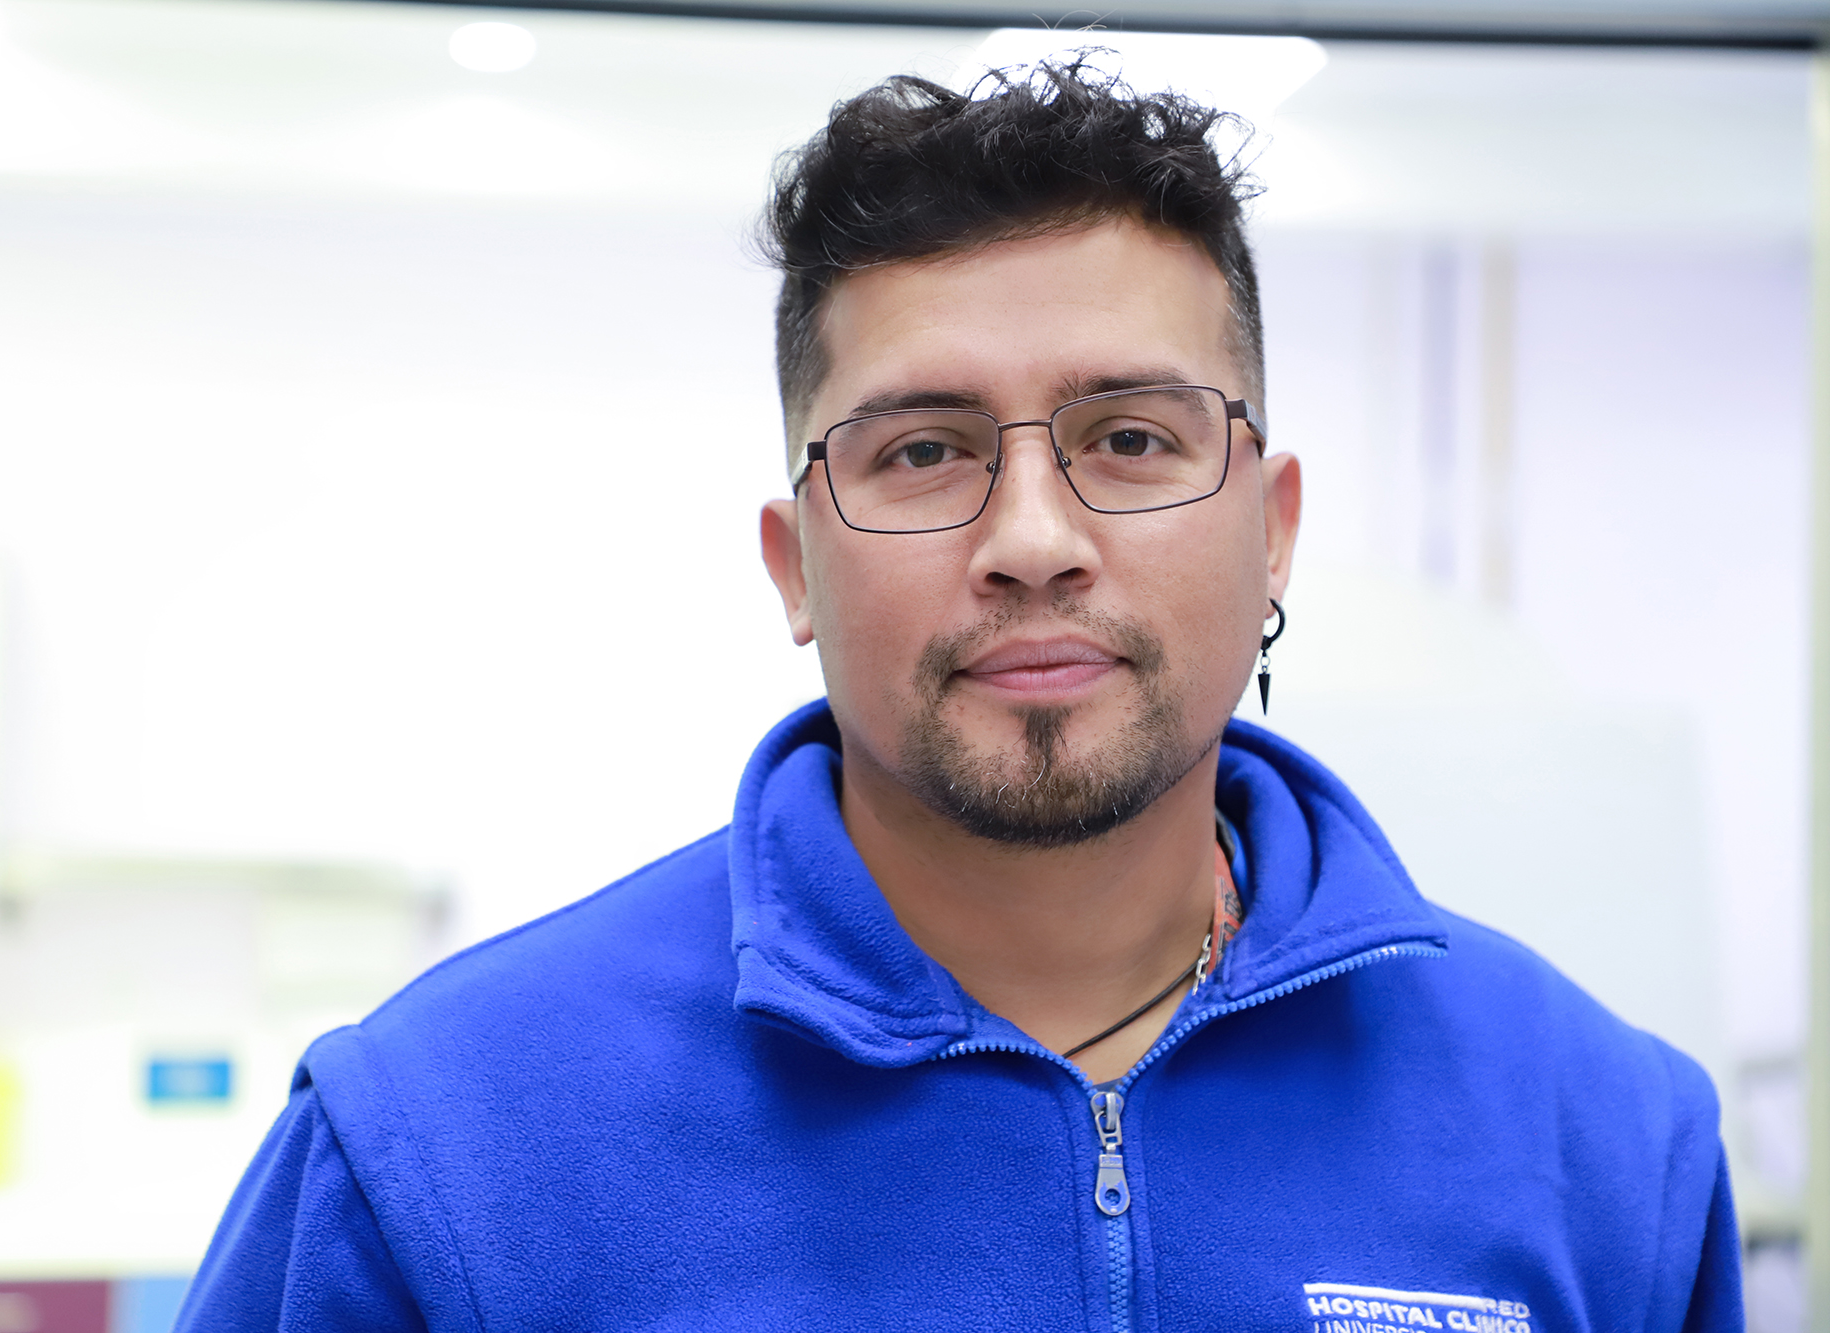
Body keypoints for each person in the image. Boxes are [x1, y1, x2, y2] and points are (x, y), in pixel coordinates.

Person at [177, 59, 1741, 1331]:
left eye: (1132, 437)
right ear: (795, 564)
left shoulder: (1604, 1140)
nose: (1034, 540)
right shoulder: (446, 1147)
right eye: (924, 451)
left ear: (1271, 530)